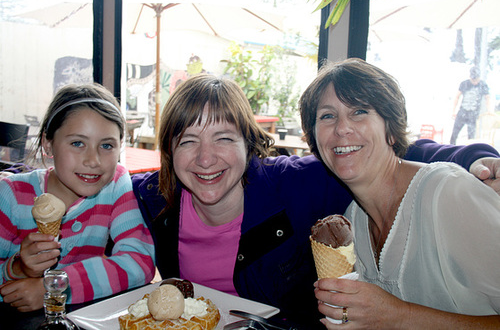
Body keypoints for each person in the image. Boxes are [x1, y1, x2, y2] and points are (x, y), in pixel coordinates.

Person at [131, 73, 500, 328]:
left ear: (249, 144)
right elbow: (101, 183)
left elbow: (380, 151)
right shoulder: (154, 196)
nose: (206, 159)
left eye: (224, 138)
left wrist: (471, 158)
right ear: (169, 152)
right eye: (188, 141)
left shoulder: (297, 183)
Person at [300, 58, 500, 329]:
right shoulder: (353, 221)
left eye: (359, 111)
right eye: (327, 116)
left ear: (391, 130)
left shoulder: (449, 194)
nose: (342, 128)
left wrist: (400, 316)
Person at [0, 83, 155, 312]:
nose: (93, 160)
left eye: (106, 145)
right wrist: (18, 269)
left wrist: (54, 287)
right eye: (77, 143)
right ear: (48, 143)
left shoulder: (114, 184)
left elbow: (139, 262)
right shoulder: (11, 195)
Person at [450, 66, 492, 144]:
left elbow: (487, 98)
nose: (475, 82)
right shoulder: (464, 84)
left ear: (479, 77)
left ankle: (469, 153)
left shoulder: (483, 85)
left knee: (471, 137)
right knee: (454, 134)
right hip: (462, 112)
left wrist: (489, 110)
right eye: (473, 80)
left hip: (473, 114)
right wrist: (453, 111)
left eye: (476, 80)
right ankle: (451, 150)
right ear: (470, 77)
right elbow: (457, 97)